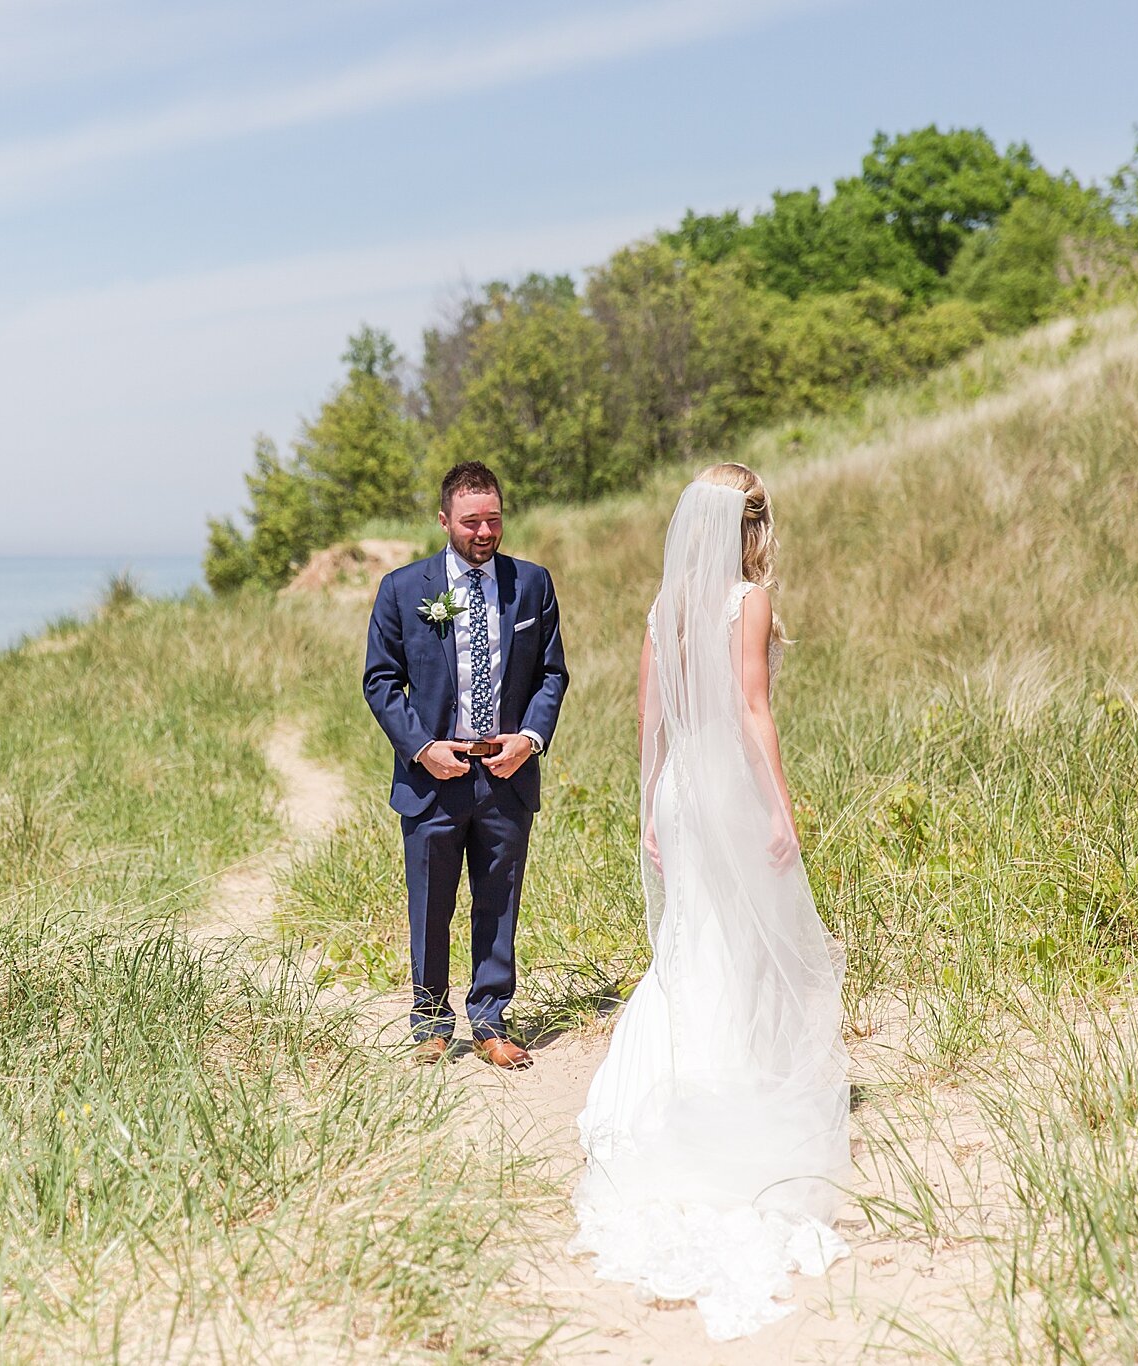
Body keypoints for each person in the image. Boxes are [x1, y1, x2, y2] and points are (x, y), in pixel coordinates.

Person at [570, 462, 851, 1340]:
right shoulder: (746, 600)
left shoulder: (665, 606)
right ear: (751, 524)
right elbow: (756, 712)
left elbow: (649, 718)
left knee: (690, 939)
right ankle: (738, 1082)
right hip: (729, 785)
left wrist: (649, 804)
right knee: (739, 940)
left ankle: (669, 1079)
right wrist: (782, 809)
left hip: (679, 791)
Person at [362, 460, 568, 1068]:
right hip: (433, 775)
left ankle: (490, 1020)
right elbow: (379, 681)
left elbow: (552, 673)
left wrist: (529, 739)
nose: (484, 532)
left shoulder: (531, 584)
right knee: (430, 901)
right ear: (445, 520)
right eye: (471, 521)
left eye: (494, 520)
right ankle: (429, 1019)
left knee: (498, 898)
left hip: (505, 771)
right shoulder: (403, 589)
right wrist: (423, 747)